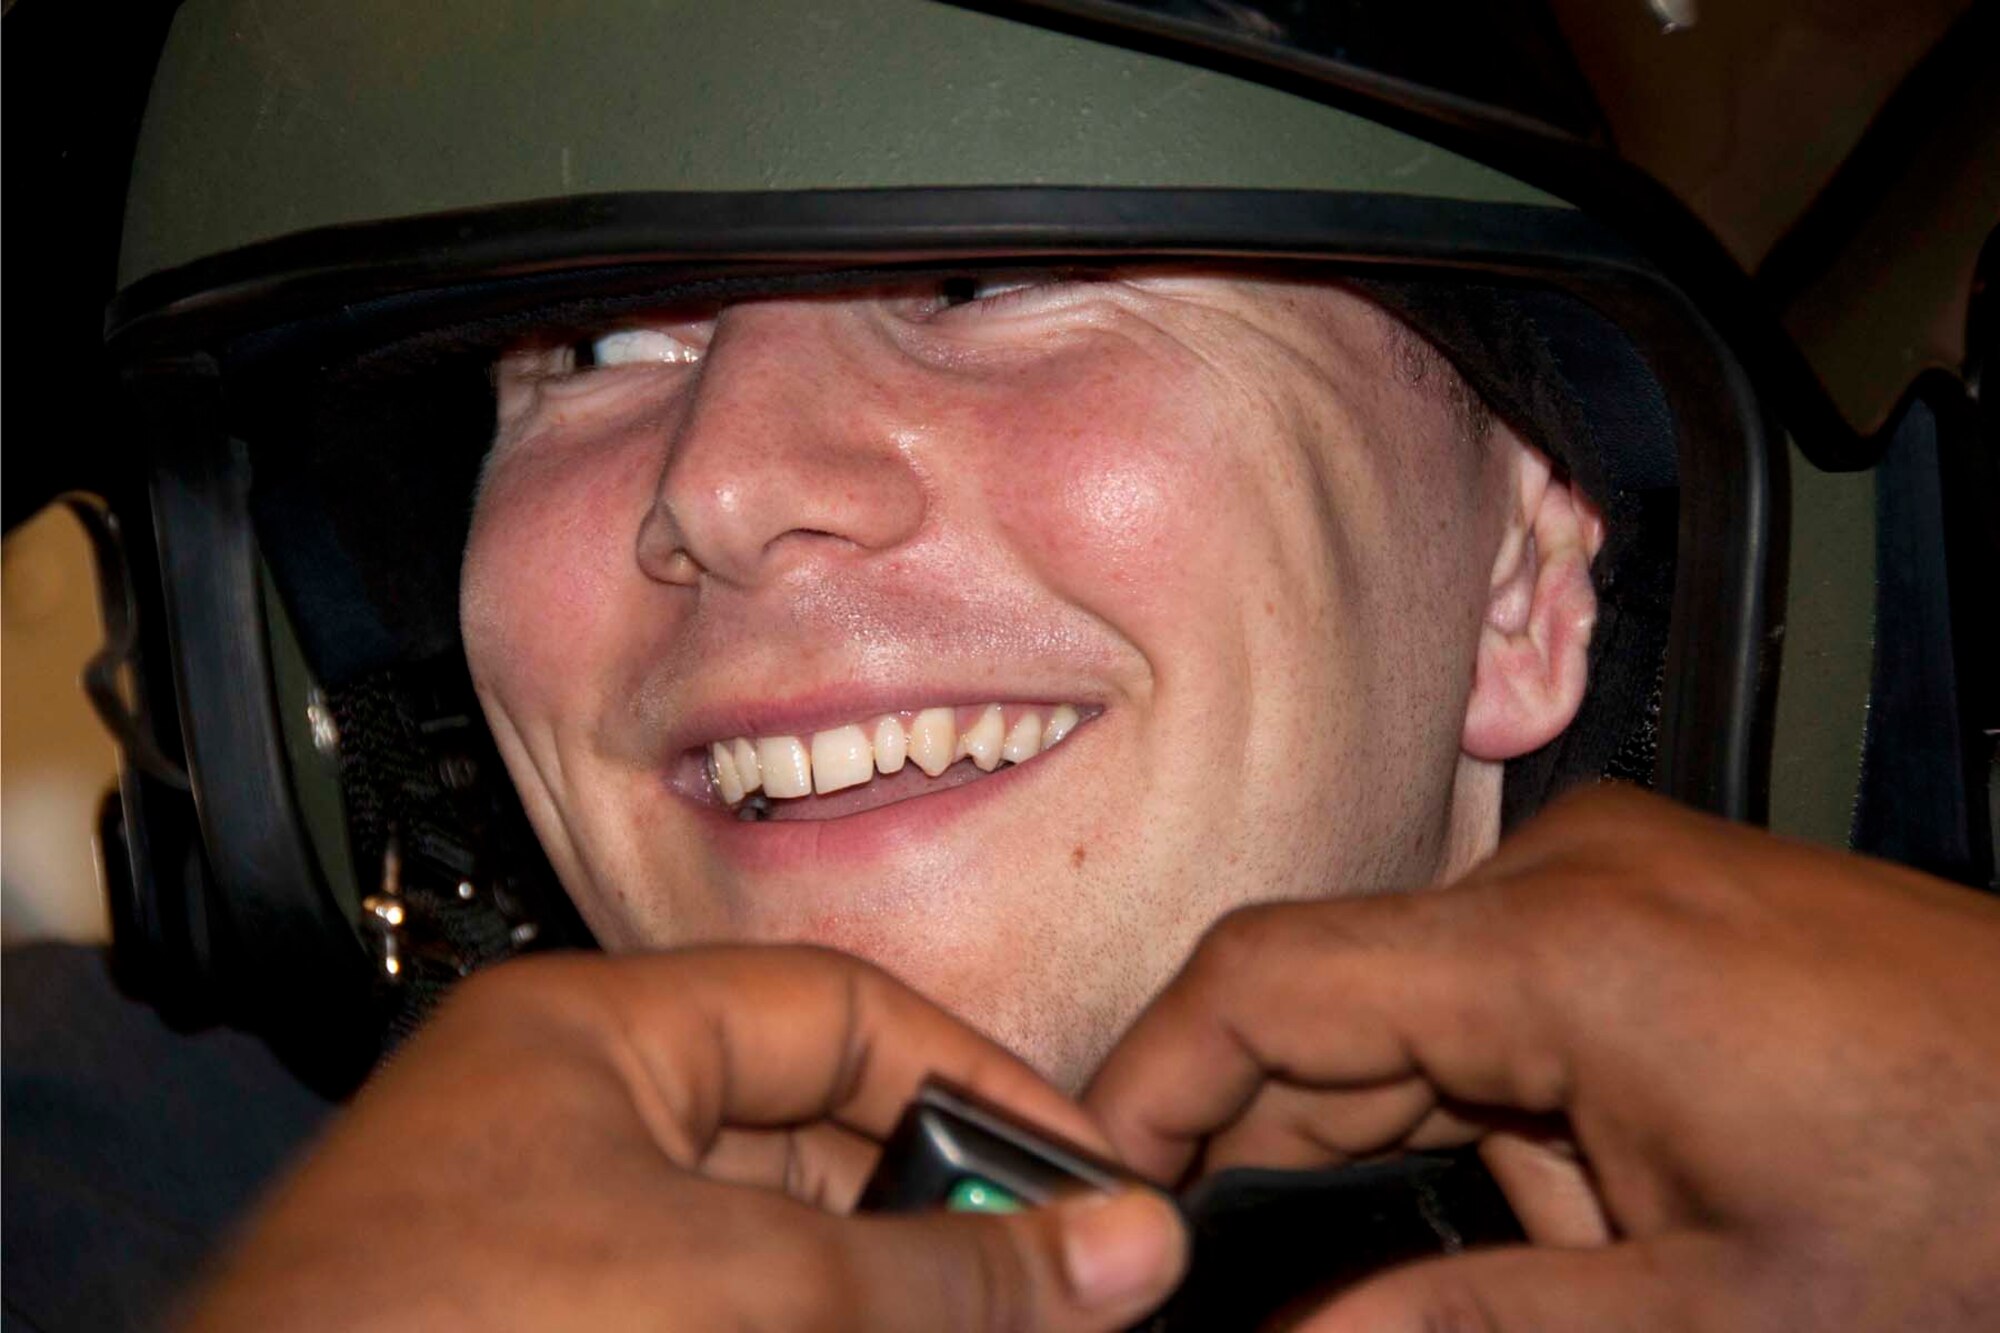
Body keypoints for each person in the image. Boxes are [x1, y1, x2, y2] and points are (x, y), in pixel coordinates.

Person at [8, 2, 1996, 1330]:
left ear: (1522, 583)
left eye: (983, 280)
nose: (727, 485)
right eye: (593, 350)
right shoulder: (103, 1198)